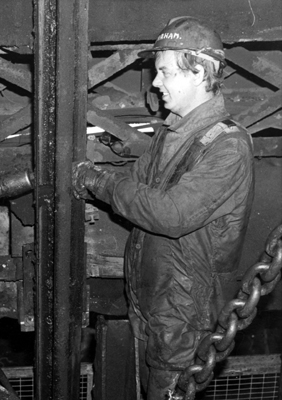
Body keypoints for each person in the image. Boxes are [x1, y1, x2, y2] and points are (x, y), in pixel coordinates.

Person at [72, 17, 254, 399]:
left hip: (185, 316)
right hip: (153, 304)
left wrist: (98, 181)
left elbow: (169, 215)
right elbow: (138, 192)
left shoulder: (228, 145)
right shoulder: (171, 132)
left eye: (165, 72)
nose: (155, 83)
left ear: (199, 72)